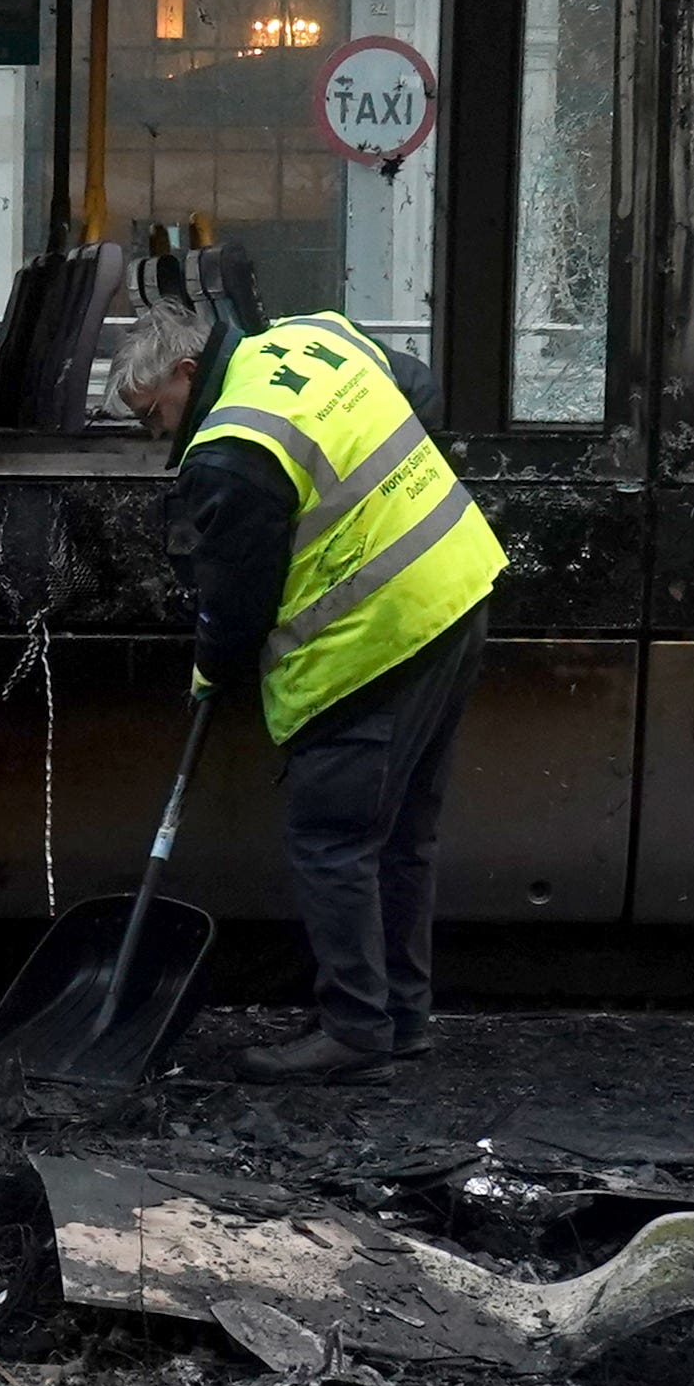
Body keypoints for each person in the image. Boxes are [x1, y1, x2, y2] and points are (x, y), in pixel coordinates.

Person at [120, 278, 506, 1086]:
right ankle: (399, 1018)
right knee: (400, 835)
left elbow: (238, 602)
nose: (158, 435)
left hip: (377, 636)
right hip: (457, 586)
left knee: (333, 840)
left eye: (152, 411)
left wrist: (212, 671)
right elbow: (420, 390)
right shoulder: (310, 335)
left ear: (187, 371)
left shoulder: (228, 451)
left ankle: (358, 1034)